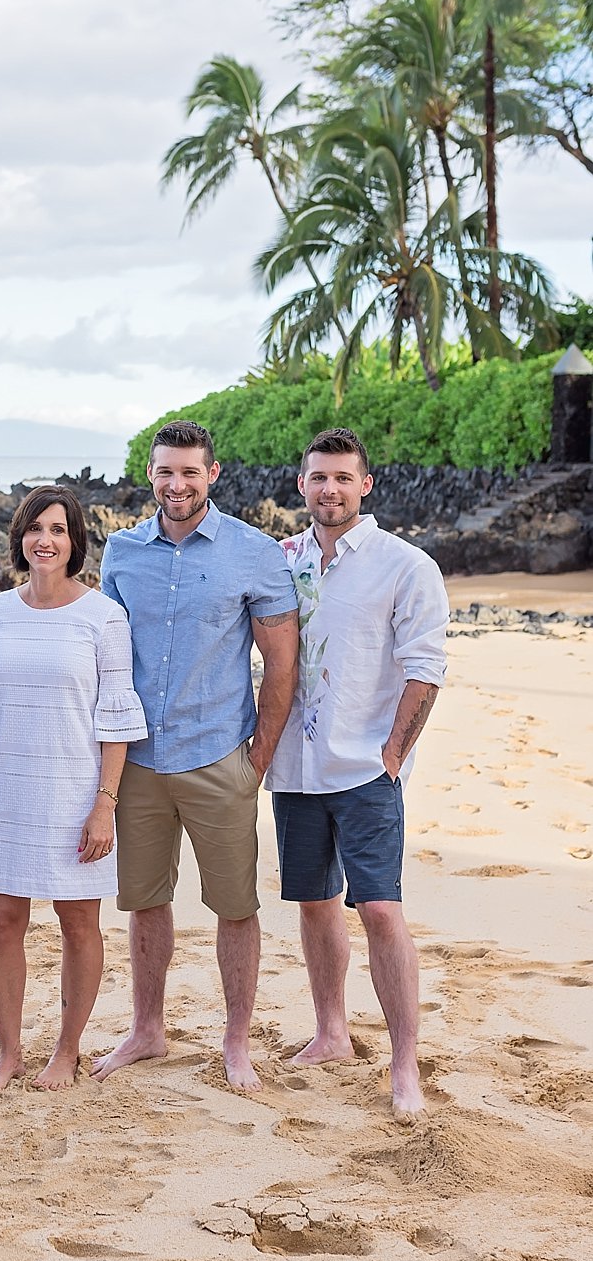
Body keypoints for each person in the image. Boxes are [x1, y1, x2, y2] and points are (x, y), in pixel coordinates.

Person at [97, 420, 299, 1093]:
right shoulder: (122, 552)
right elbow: (105, 659)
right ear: (149, 475)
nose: (176, 484)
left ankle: (236, 1042)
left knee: (234, 906)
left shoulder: (254, 553)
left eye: (189, 471)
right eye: (165, 471)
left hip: (220, 757)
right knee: (145, 901)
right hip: (139, 762)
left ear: (212, 474)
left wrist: (256, 762)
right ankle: (146, 1029)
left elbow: (281, 665)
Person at [268, 428, 447, 1120]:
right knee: (314, 903)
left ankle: (404, 1064)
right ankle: (332, 1033)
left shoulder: (404, 565)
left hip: (367, 768)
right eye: (319, 477)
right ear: (301, 485)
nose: (330, 489)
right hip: (295, 766)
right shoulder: (283, 560)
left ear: (365, 486)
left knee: (378, 909)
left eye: (343, 478)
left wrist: (392, 755)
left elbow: (424, 668)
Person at [0, 486, 147, 1092]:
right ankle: (9, 1053)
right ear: (20, 538)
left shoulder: (103, 616)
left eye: (59, 530)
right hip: (7, 791)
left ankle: (66, 1051)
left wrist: (105, 805)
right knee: (2, 921)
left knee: (78, 923)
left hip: (76, 793)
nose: (46, 540)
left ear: (75, 542)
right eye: (35, 528)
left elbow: (116, 718)